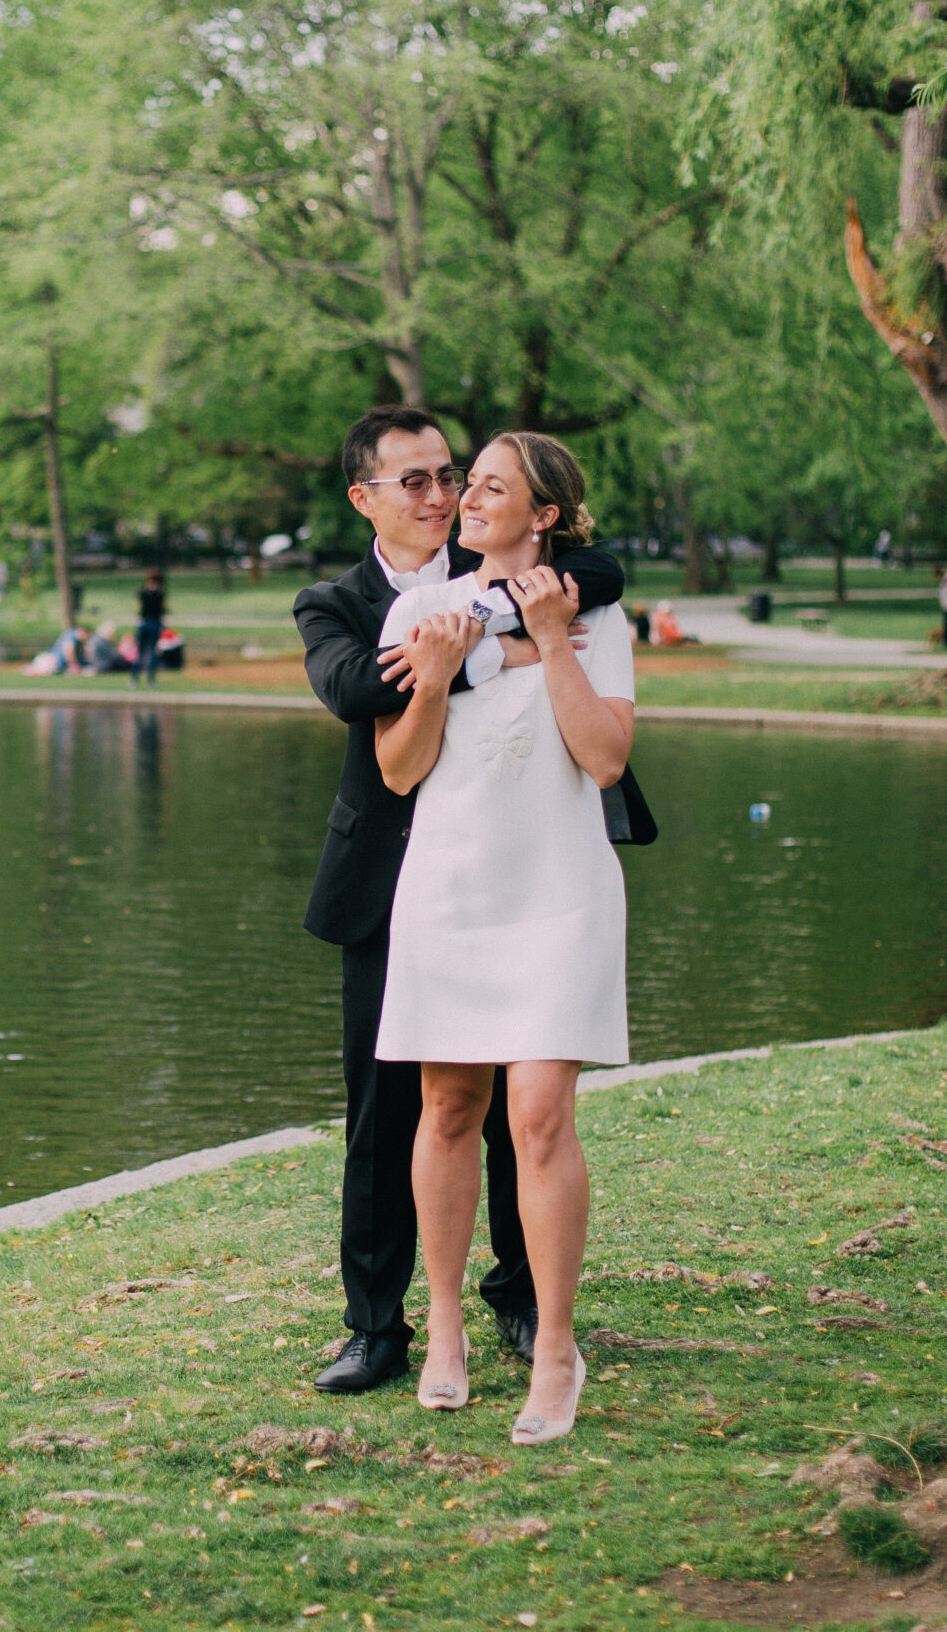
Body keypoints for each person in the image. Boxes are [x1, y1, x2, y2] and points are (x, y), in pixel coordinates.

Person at [292, 405, 624, 1399]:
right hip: (395, 880)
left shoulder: (540, 584)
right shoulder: (340, 603)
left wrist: (506, 630)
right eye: (419, 483)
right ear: (366, 500)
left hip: (533, 864)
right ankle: (377, 1325)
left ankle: (523, 1300)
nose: (442, 496)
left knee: (518, 1111)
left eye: (453, 476)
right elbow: (361, 691)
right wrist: (470, 653)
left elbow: (596, 575)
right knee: (390, 1113)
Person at [373, 430, 631, 1447]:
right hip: (451, 884)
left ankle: (556, 1346)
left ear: (547, 516)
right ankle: (443, 1330)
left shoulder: (597, 614)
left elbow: (605, 759)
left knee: (536, 1113)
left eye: (488, 488)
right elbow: (397, 770)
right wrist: (433, 679)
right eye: (465, 485)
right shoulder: (417, 610)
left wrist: (555, 639)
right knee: (444, 1107)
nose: (462, 500)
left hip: (559, 884)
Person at [133, 571, 168, 688]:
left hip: (143, 622)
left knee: (140, 652)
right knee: (152, 652)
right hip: (154, 623)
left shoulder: (142, 591)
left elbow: (139, 607)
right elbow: (162, 610)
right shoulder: (160, 593)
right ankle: (150, 680)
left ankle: (134, 678)